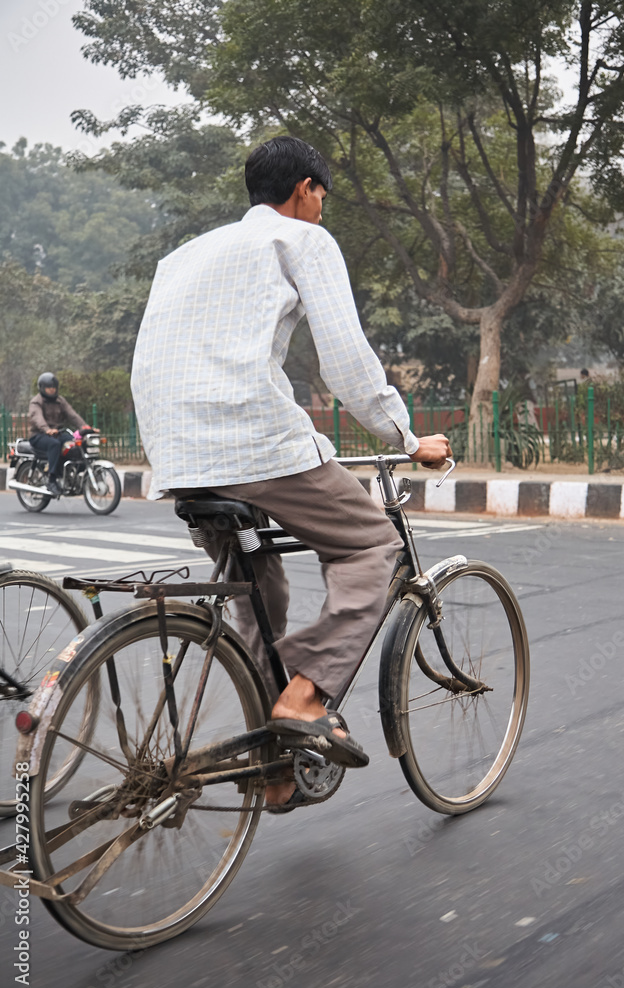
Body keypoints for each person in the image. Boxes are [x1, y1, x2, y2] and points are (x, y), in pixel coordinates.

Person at [131, 136, 452, 810]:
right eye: (321, 200)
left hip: (176, 449)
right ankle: (304, 700)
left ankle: (271, 771)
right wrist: (404, 436)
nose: (321, 213)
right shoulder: (300, 241)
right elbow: (346, 360)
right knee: (371, 545)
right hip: (247, 439)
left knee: (255, 594)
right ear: (306, 189)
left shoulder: (183, 255)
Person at [27, 373, 88, 496]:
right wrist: (47, 429)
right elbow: (37, 417)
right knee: (54, 445)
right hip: (38, 435)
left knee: (76, 443)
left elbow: (72, 415)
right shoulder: (36, 402)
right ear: (42, 388)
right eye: (49, 387)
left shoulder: (60, 400)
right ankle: (52, 479)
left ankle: (75, 470)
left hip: (56, 433)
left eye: (54, 387)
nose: (52, 389)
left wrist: (84, 426)